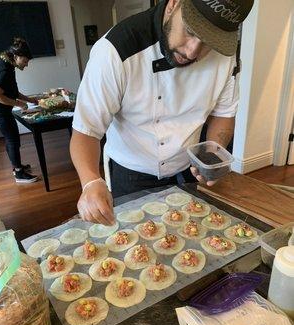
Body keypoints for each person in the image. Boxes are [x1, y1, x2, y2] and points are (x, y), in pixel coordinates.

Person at [70, 0, 254, 225]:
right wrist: (90, 182)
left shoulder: (227, 52)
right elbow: (85, 131)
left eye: (208, 41)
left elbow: (224, 114)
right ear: (174, 4)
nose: (192, 51)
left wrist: (211, 155)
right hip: (131, 173)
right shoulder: (115, 49)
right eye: (190, 30)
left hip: (188, 168)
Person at [0, 38, 38, 183]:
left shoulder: (8, 65)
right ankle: (19, 174)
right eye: (25, 61)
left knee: (11, 138)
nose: (26, 65)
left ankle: (17, 167)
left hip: (2, 109)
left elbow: (13, 91)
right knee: (12, 139)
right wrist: (19, 104)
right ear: (16, 56)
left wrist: (30, 100)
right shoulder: (4, 69)